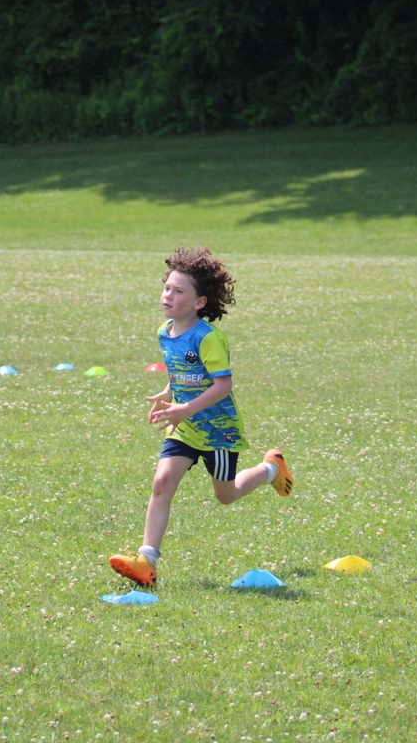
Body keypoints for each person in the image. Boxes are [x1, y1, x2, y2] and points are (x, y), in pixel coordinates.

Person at [109, 246, 294, 588]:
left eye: (179, 291)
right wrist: (169, 393)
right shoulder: (165, 332)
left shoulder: (209, 338)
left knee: (226, 495)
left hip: (217, 431)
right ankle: (146, 560)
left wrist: (185, 408)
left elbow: (222, 385)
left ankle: (271, 468)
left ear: (199, 302)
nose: (168, 295)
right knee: (162, 482)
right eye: (167, 287)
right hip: (185, 427)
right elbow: (183, 371)